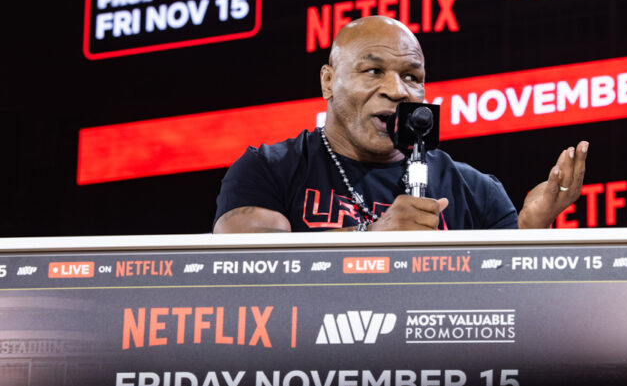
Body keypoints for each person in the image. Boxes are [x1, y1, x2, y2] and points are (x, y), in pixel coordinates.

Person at [213, 16, 588, 233]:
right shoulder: (268, 168)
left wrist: (529, 228)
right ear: (328, 81)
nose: (397, 90)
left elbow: (513, 310)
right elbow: (243, 266)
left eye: (412, 76)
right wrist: (372, 235)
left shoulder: (476, 190)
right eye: (373, 70)